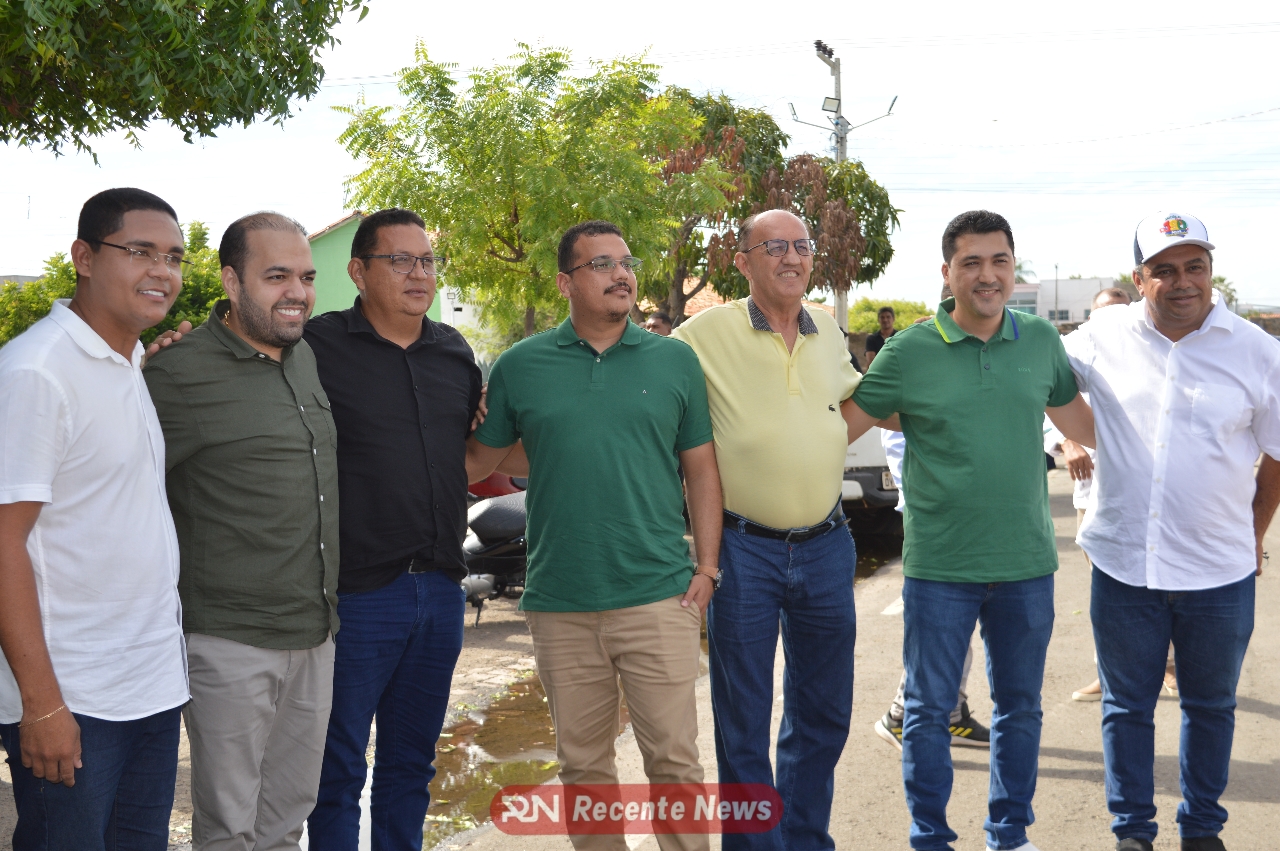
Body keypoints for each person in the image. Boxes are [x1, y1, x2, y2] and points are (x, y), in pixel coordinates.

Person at [844, 210, 1095, 851]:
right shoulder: (909, 351)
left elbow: (1087, 425)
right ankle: (930, 836)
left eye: (999, 261)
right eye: (972, 263)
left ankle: (1009, 834)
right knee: (928, 710)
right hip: (940, 567)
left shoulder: (1041, 341)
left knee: (1020, 709)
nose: (988, 275)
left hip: (1026, 563)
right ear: (947, 272)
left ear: (1013, 267)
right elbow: (839, 427)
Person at [468, 220, 722, 851]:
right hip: (561, 600)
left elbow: (701, 469)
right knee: (584, 770)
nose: (621, 274)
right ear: (566, 283)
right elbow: (478, 462)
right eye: (602, 264)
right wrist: (451, 415)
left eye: (626, 262)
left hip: (658, 593)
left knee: (675, 767)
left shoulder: (674, 360)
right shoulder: (521, 366)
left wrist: (707, 568)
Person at [1062, 212, 1280, 851]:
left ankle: (1202, 829)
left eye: (1195, 266)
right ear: (1139, 279)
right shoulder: (1101, 336)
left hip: (1219, 572)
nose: (1183, 281)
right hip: (1123, 565)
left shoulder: (1258, 351)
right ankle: (1132, 831)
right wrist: (1063, 437)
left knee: (1210, 707)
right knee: (1126, 707)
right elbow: (1037, 379)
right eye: (1164, 270)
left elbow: (1277, 457)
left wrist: (1253, 532)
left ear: (1211, 271)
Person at [0, 188, 190, 851]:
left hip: (149, 685)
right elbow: (4, 543)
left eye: (174, 256)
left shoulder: (129, 359)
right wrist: (42, 704)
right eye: (140, 251)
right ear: (83, 257)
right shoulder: (36, 372)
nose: (162, 270)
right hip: (74, 698)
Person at [144, 212, 339, 851]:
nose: (298, 292)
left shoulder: (306, 358)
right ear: (232, 281)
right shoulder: (176, 373)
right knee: (230, 828)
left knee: (288, 819)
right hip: (228, 640)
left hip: (315, 632)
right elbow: (119, 495)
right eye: (277, 276)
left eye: (306, 277)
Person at [672, 209, 862, 851]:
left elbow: (849, 404)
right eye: (774, 246)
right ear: (743, 261)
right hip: (742, 548)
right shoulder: (701, 334)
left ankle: (805, 839)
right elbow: (650, 385)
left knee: (824, 711)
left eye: (801, 246)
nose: (792, 257)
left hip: (828, 544)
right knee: (743, 719)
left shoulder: (827, 329)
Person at [305, 209, 487, 851]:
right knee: (336, 769)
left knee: (412, 764)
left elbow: (471, 448)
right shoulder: (315, 347)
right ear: (358, 271)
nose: (419, 274)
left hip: (440, 587)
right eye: (400, 260)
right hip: (358, 594)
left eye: (427, 261)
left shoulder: (454, 352)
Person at [875, 283, 990, 752]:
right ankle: (905, 714)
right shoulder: (917, 352)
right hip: (937, 521)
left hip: (979, 519)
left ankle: (949, 710)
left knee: (959, 623)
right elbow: (897, 435)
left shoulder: (990, 352)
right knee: (941, 625)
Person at [1038, 287, 1149, 704]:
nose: (1112, 323)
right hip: (1092, 496)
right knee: (1108, 592)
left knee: (1160, 585)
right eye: (1102, 315)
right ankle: (1111, 673)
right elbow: (1046, 402)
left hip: (1144, 498)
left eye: (1120, 313)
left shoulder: (1150, 359)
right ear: (1090, 319)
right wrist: (1069, 442)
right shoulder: (1080, 357)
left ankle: (1168, 666)